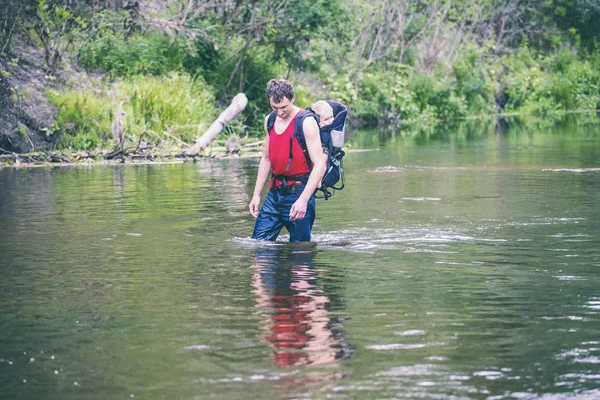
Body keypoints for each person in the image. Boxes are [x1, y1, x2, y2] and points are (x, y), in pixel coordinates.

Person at [249, 78, 326, 242]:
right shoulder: (269, 120)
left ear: (292, 98)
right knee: (258, 247)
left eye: (283, 107)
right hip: (275, 194)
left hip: (299, 192)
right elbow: (266, 158)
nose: (279, 112)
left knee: (300, 253)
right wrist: (256, 195)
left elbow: (320, 164)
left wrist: (303, 200)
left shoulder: (306, 122)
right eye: (274, 107)